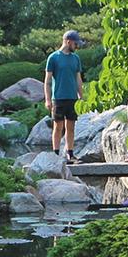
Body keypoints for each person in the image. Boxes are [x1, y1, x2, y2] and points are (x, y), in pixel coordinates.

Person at [43, 30, 85, 163]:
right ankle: (55, 155)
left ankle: (70, 154)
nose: (76, 46)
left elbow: (78, 78)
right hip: (58, 97)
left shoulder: (75, 58)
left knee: (71, 126)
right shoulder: (53, 58)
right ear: (68, 42)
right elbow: (48, 80)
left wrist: (81, 96)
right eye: (75, 44)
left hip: (72, 97)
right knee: (58, 126)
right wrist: (48, 99)